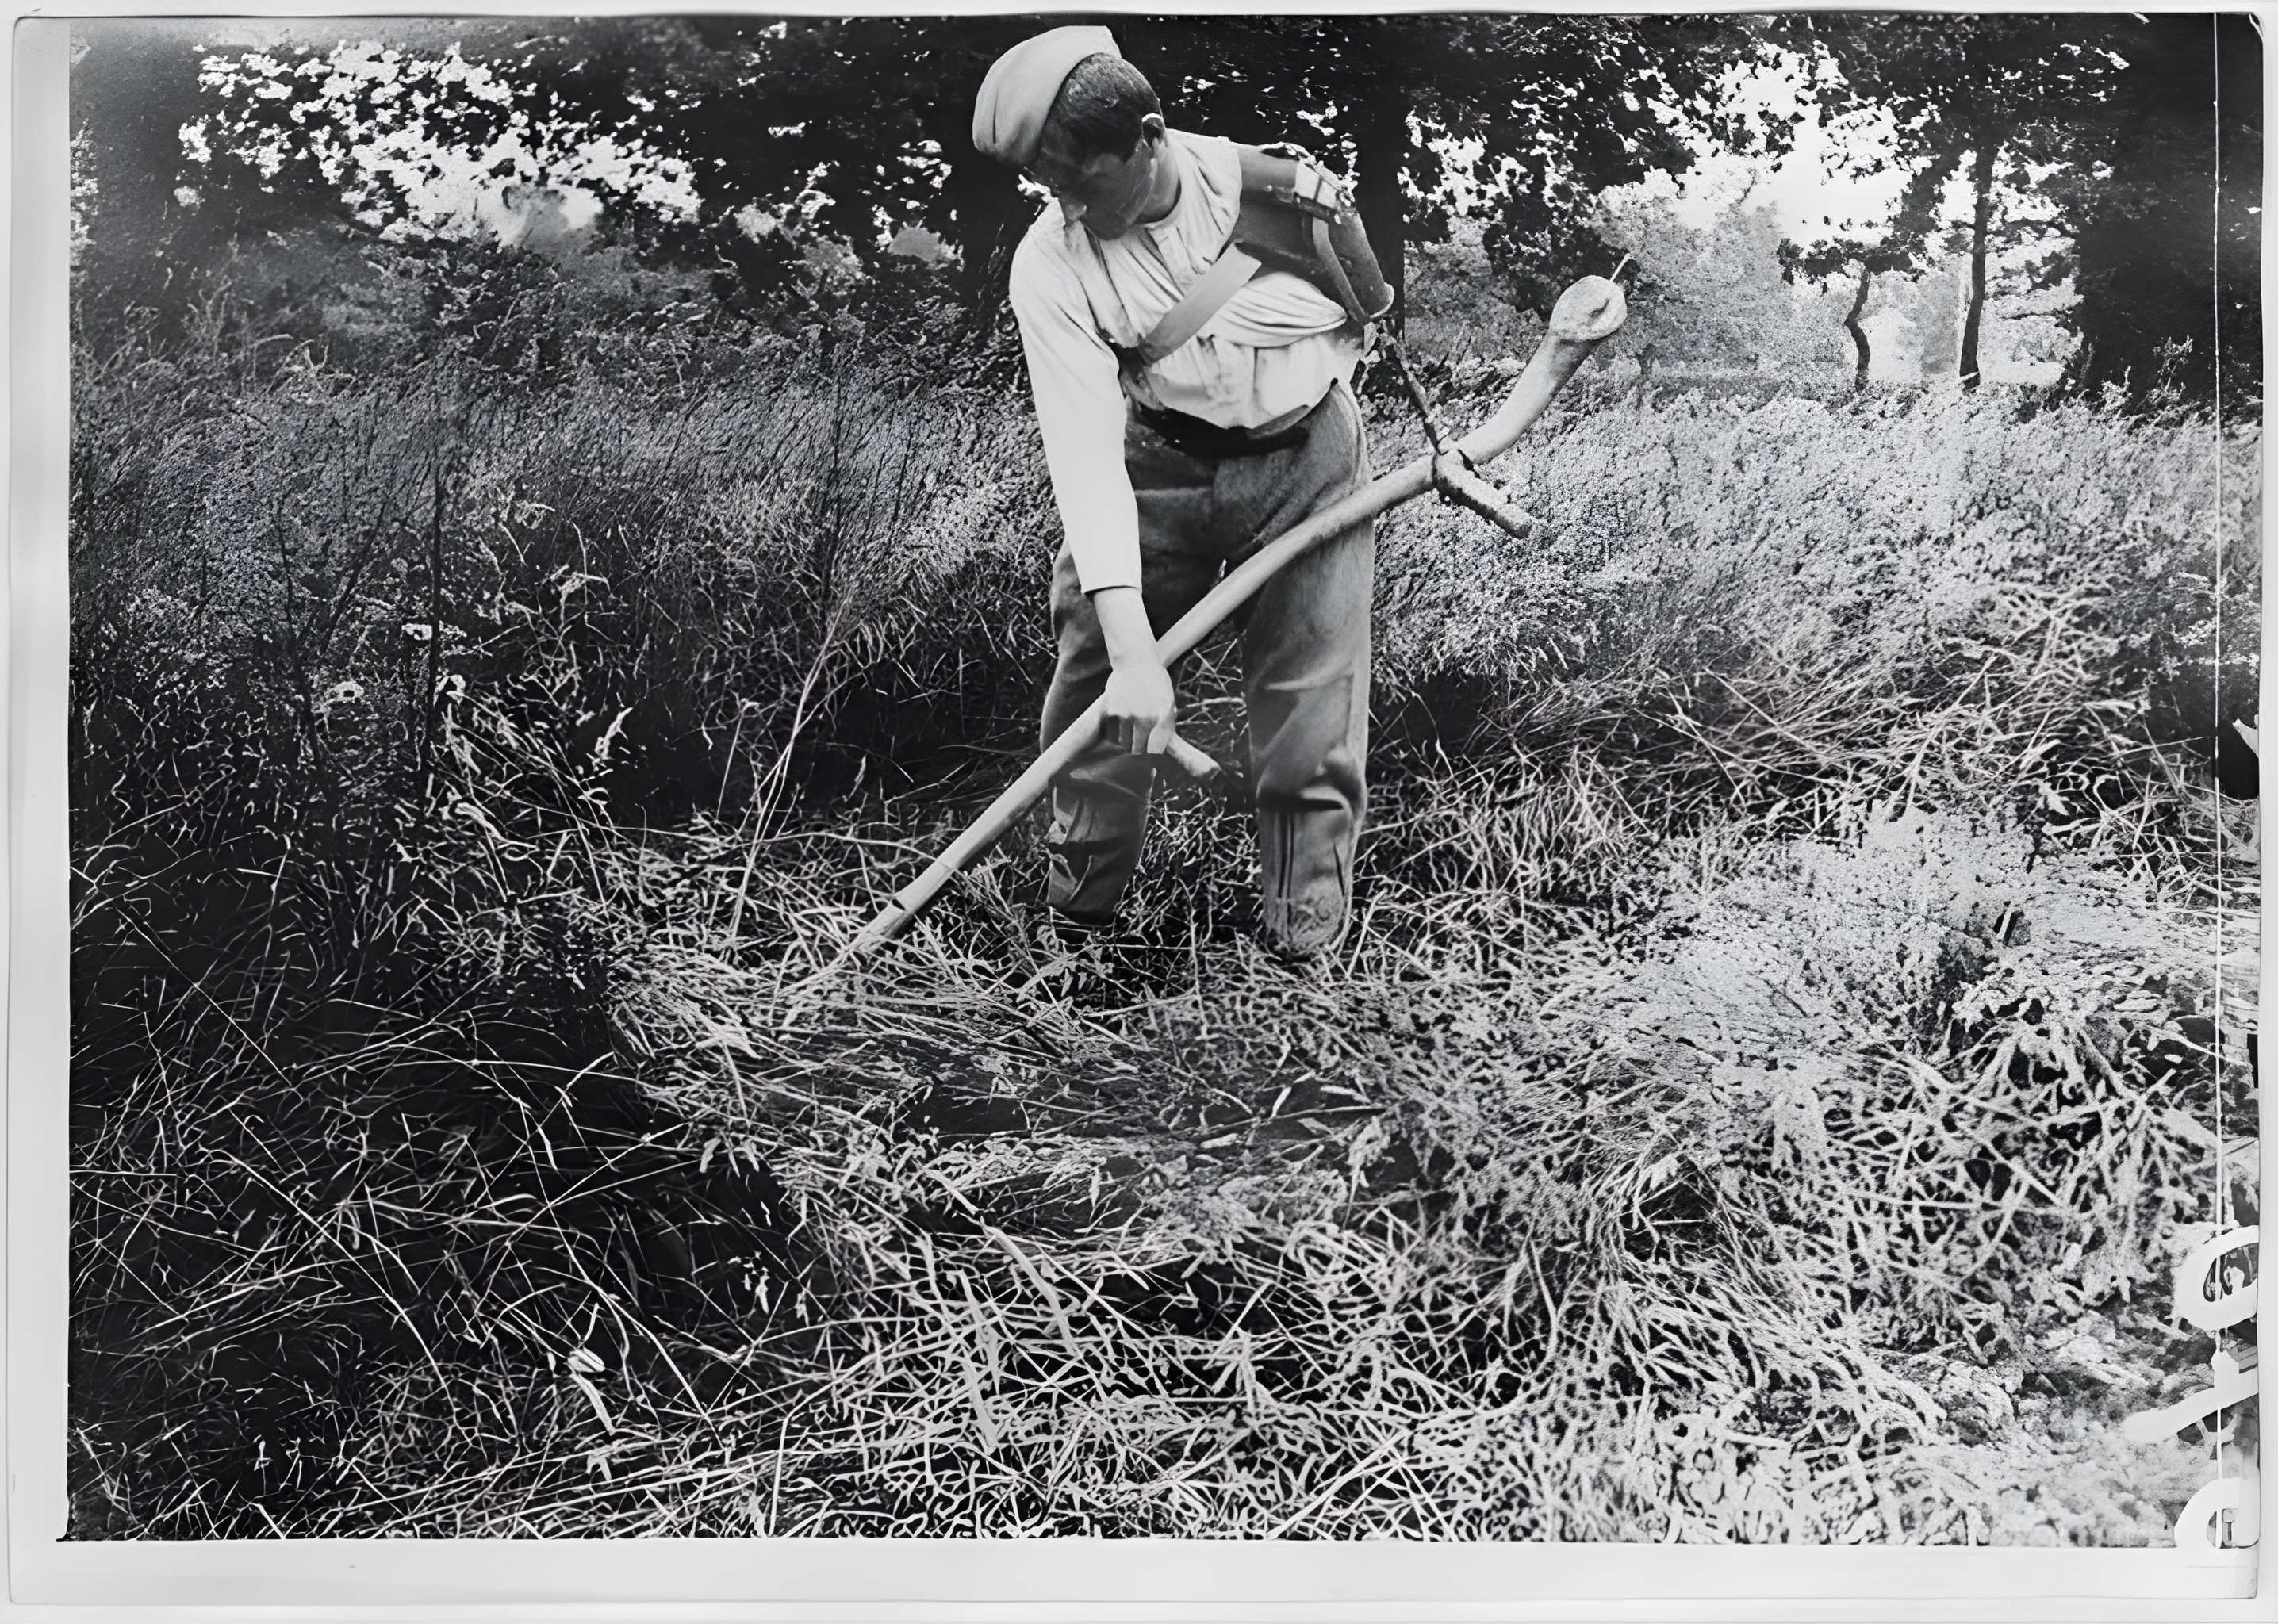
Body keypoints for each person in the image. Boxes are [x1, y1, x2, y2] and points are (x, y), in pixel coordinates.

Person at [972, 25, 1383, 963]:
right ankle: (1076, 932)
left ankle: (1302, 946)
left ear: (1150, 135)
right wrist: (1134, 657)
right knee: (1096, 692)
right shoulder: (1049, 263)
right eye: (1049, 184)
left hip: (1307, 459)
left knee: (1309, 707)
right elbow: (1082, 457)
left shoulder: (1286, 195)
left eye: (1082, 178)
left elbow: (1359, 315)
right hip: (1153, 459)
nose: (1066, 205)